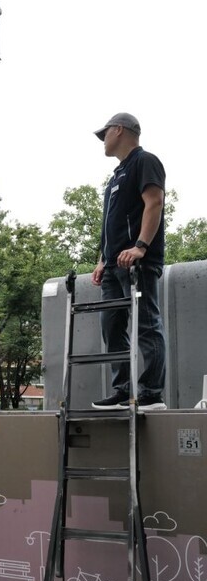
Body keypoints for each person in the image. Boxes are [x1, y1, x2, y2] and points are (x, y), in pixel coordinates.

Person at [91, 113, 167, 411]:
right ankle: (123, 391)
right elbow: (110, 226)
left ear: (119, 130)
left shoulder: (145, 161)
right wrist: (101, 261)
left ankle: (151, 394)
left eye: (105, 133)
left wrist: (141, 247)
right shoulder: (115, 177)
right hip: (112, 267)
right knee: (112, 326)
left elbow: (154, 202)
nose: (103, 140)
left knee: (147, 325)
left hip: (137, 263)